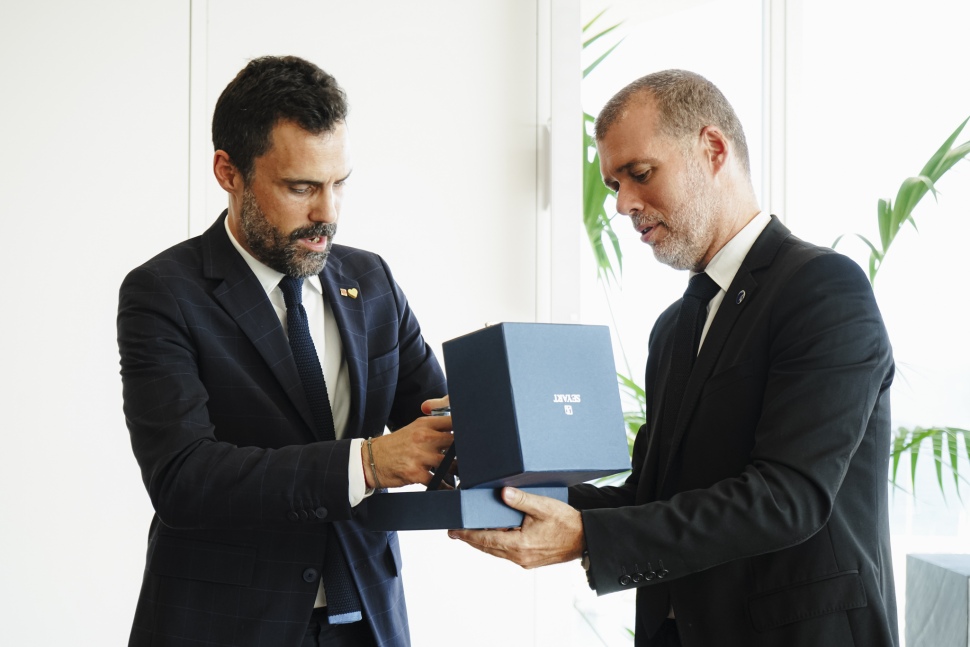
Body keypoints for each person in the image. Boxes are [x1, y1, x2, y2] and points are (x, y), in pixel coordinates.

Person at [450, 70, 898, 647]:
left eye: (639, 174)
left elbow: (789, 498)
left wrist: (588, 536)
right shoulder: (672, 328)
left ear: (713, 149)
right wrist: (498, 491)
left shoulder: (824, 288)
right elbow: (654, 495)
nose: (623, 205)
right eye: (614, 185)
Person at [117, 55, 453, 647]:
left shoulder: (370, 280)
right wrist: (367, 463)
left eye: (338, 184)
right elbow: (183, 477)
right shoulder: (163, 292)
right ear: (229, 171)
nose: (327, 213)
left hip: (368, 619)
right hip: (225, 626)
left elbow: (437, 421)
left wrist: (504, 446)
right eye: (301, 188)